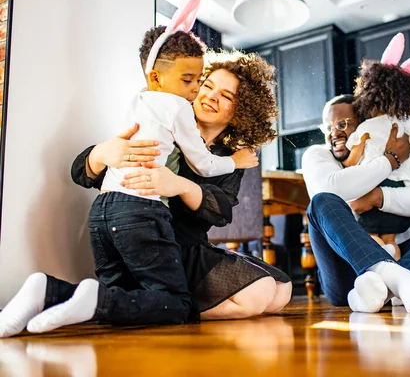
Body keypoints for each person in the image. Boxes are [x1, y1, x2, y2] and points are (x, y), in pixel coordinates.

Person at [0, 50, 291, 338]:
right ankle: (149, 304)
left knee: (282, 291)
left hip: (187, 246)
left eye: (226, 96)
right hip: (150, 239)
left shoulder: (226, 158)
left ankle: (90, 298)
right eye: (207, 85)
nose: (211, 96)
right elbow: (83, 172)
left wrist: (178, 185)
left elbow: (219, 212)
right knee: (258, 294)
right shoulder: (161, 125)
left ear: (241, 111)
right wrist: (102, 153)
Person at [302, 94, 410, 314]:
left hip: (396, 257)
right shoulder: (317, 154)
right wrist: (389, 161)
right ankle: (399, 282)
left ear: (363, 126)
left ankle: (384, 290)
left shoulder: (386, 148)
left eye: (342, 124)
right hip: (344, 274)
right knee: (321, 202)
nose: (333, 133)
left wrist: (378, 197)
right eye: (327, 127)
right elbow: (331, 189)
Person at [341, 33, 410, 259]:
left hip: (373, 190)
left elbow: (353, 160)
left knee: (371, 238)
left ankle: (383, 280)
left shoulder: (367, 128)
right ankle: (398, 286)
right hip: (399, 194)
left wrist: (345, 163)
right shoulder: (404, 125)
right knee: (391, 240)